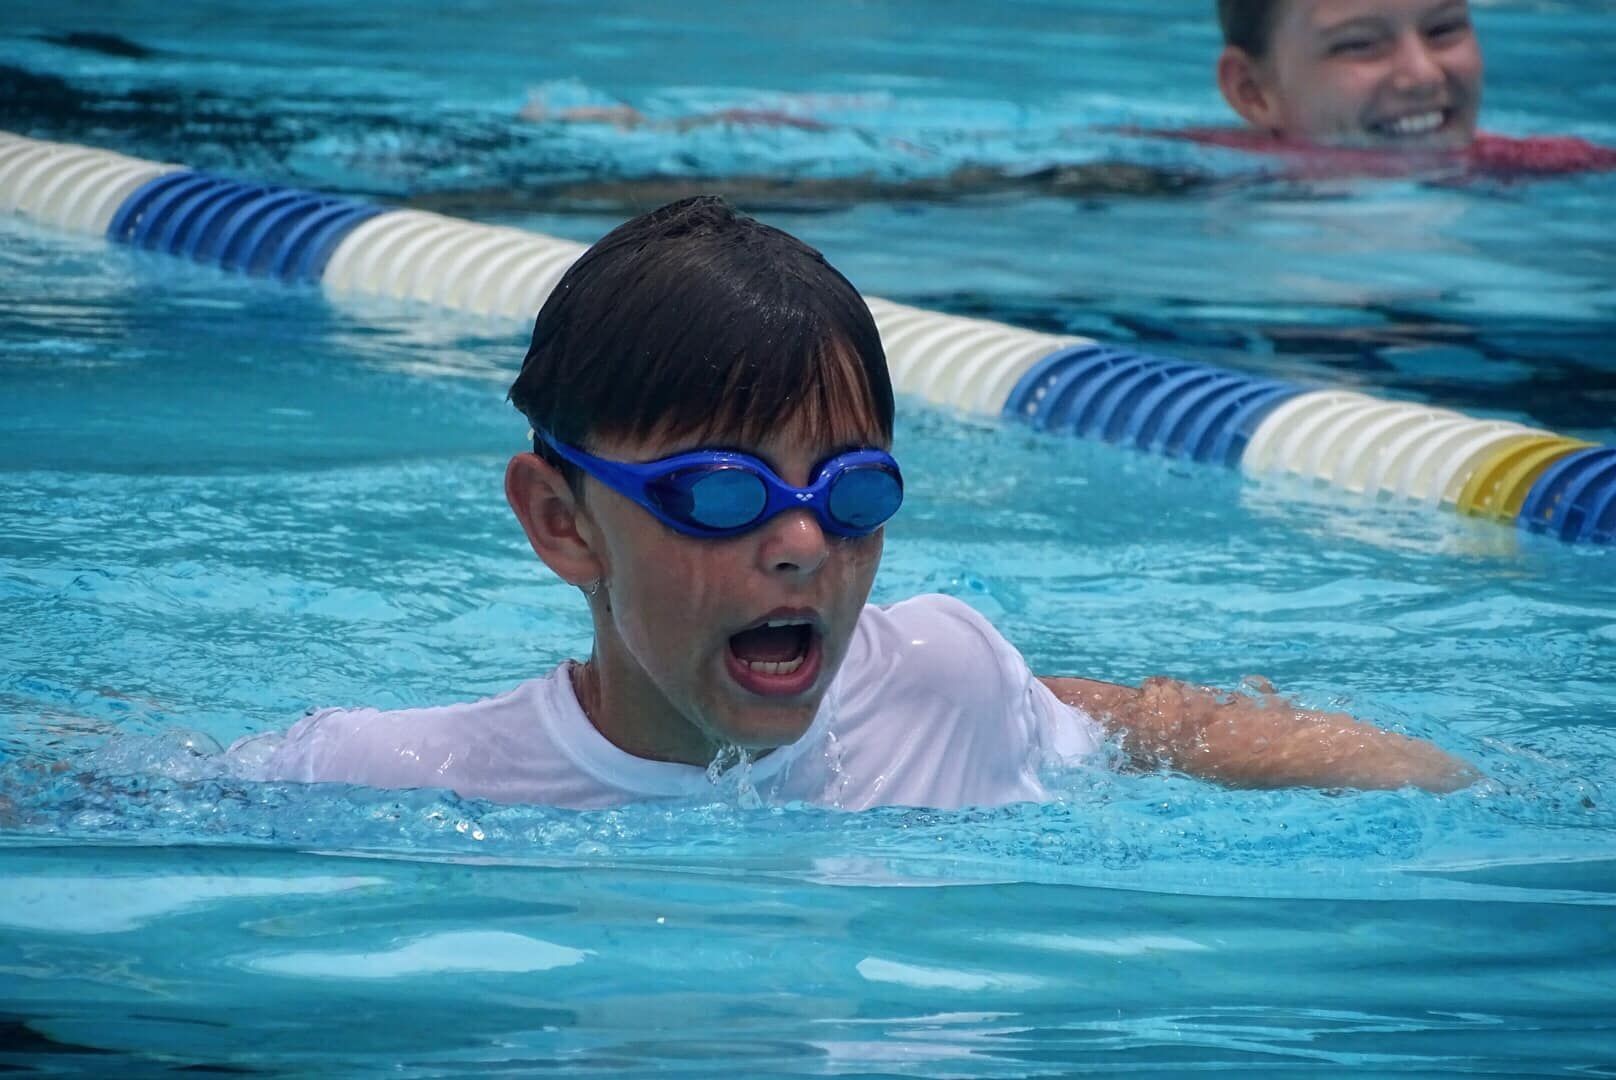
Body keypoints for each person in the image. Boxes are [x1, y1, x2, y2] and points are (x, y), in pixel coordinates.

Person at [234, 196, 1475, 811]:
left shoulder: (942, 678)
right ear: (562, 523)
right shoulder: (394, 777)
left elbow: (1139, 724)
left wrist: (1449, 786)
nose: (802, 543)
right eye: (719, 491)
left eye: (853, 487)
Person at [1201, 0, 1616, 176]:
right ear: (1252, 91)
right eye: (1360, 44)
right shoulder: (1190, 176)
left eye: (1444, 29)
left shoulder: (1544, 166)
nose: (1423, 76)